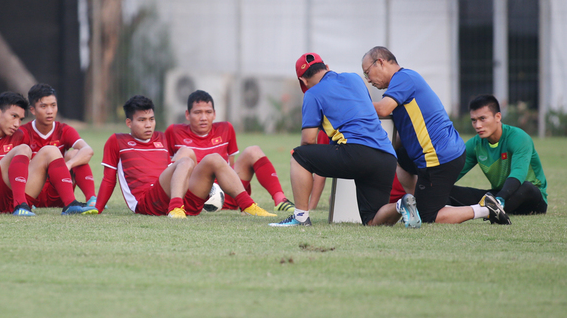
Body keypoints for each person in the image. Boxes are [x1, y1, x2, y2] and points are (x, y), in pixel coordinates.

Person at [362, 46, 509, 225]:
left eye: (368, 72)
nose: (368, 80)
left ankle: (485, 208)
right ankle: (416, 203)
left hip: (438, 158)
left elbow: (383, 109)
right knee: (399, 157)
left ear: (380, 62)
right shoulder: (404, 80)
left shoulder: (403, 78)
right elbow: (406, 135)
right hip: (441, 152)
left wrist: (355, 103)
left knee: (429, 217)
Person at [270, 53, 417, 228]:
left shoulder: (312, 94)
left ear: (303, 81)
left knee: (299, 156)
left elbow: (308, 140)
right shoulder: (355, 79)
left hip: (357, 153)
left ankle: (300, 218)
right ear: (327, 67)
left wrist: (319, 157)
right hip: (386, 156)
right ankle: (401, 205)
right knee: (372, 221)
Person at [94, 95, 274, 218]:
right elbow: (109, 179)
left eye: (151, 119)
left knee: (213, 159)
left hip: (177, 195)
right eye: (142, 120)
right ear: (128, 122)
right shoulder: (117, 141)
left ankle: (248, 205)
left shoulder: (162, 137)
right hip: (147, 203)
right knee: (186, 159)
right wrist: (98, 208)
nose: (148, 125)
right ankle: (175, 208)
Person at [165, 90, 288, 213]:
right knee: (185, 153)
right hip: (195, 194)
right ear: (187, 114)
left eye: (208, 112)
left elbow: (230, 165)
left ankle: (280, 200)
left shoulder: (226, 129)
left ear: (214, 114)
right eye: (197, 112)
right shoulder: (174, 131)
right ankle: (175, 204)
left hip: (228, 191)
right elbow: (168, 168)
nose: (203, 117)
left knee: (253, 150)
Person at [449, 94, 548, 215]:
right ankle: (490, 209)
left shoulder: (518, 137)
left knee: (526, 187)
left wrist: (499, 199)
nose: (477, 125)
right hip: (499, 196)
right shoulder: (475, 144)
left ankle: (489, 208)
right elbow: (453, 172)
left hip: (530, 199)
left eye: (482, 119)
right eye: (474, 120)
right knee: (447, 190)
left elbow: (519, 173)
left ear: (498, 117)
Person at [21, 83, 97, 208]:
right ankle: (25, 201)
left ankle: (92, 199)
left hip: (59, 194)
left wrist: (68, 165)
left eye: (53, 105)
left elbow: (88, 150)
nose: (49, 111)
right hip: (33, 195)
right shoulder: (23, 132)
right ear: (33, 110)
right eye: (44, 106)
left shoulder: (64, 130)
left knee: (75, 153)